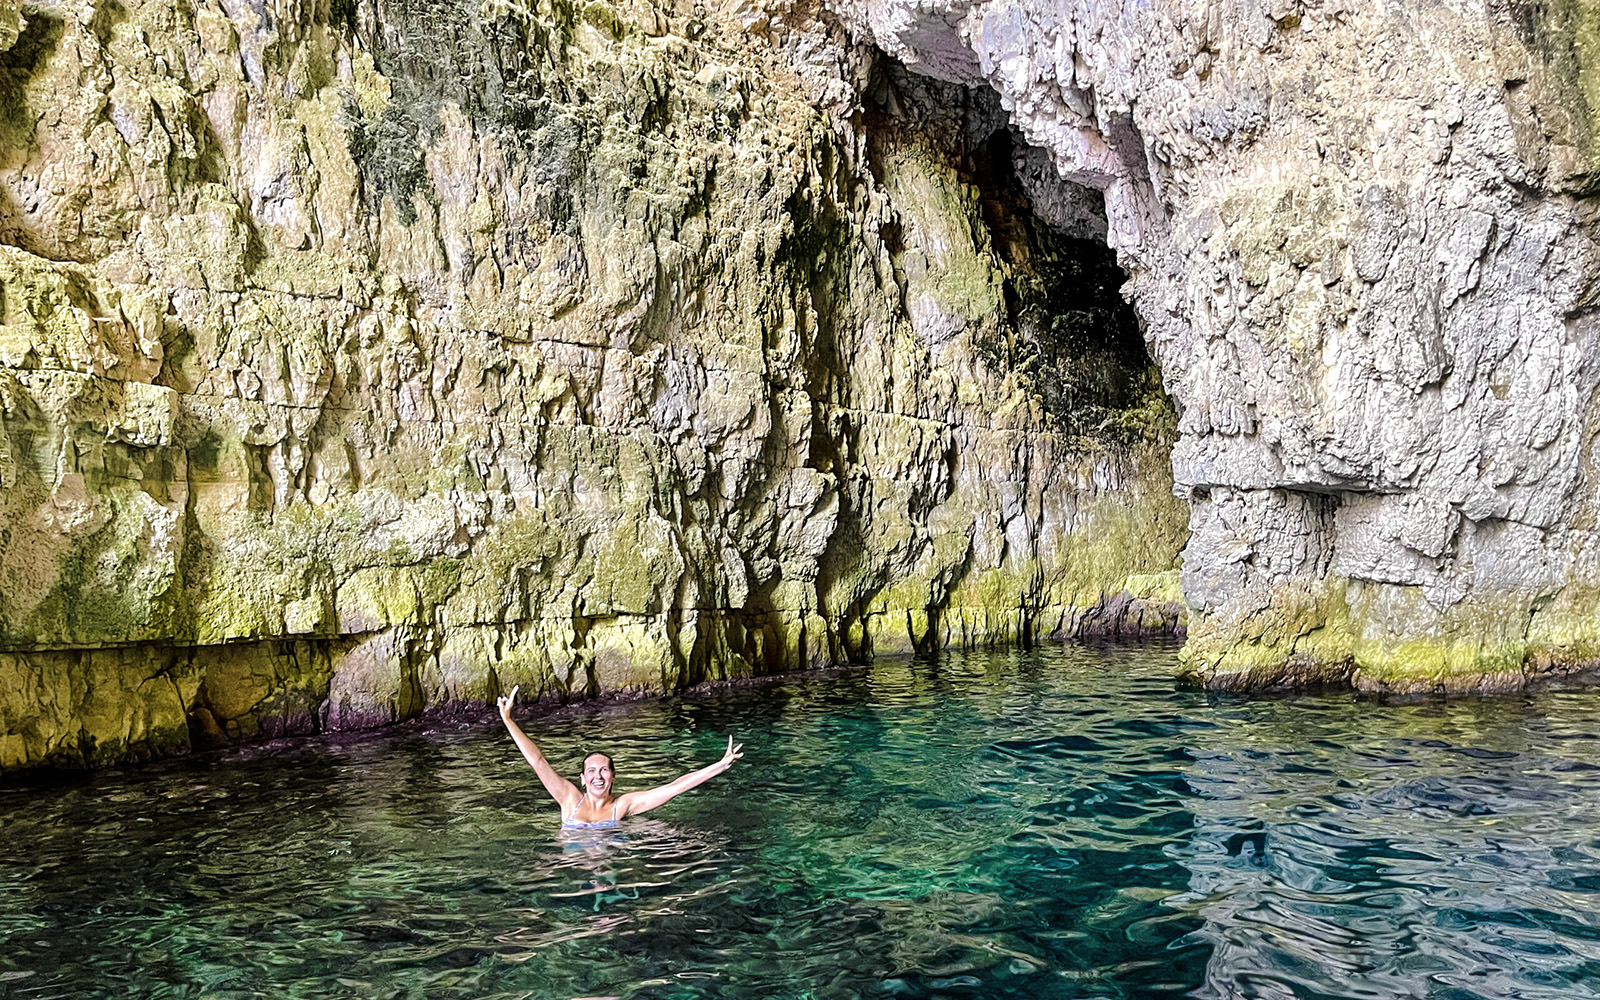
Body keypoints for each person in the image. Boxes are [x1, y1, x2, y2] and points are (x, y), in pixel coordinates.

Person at [496, 685, 744, 828]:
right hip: (569, 866)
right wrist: (508, 721)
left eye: (603, 770)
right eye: (591, 771)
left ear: (613, 776)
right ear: (582, 779)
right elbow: (538, 761)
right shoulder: (569, 799)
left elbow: (674, 788)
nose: (597, 776)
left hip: (609, 866)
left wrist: (719, 767)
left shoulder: (623, 806)